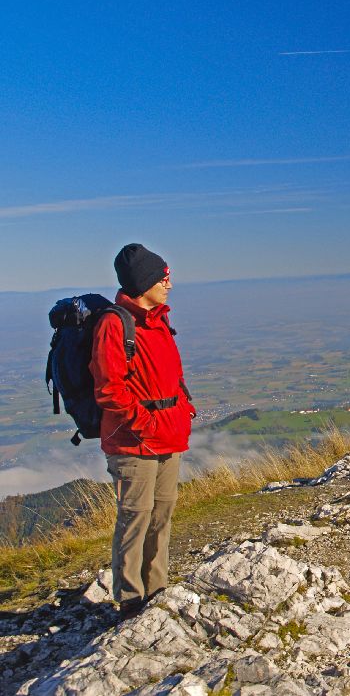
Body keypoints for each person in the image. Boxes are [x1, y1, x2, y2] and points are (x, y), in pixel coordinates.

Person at [90, 243, 196, 620]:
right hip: (133, 443)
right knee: (136, 516)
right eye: (162, 276)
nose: (169, 282)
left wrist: (184, 408)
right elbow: (109, 389)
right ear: (144, 281)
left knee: (161, 514)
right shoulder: (114, 324)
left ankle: (157, 589)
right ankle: (131, 599)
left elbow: (171, 376)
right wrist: (145, 422)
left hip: (169, 435)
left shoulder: (160, 320)